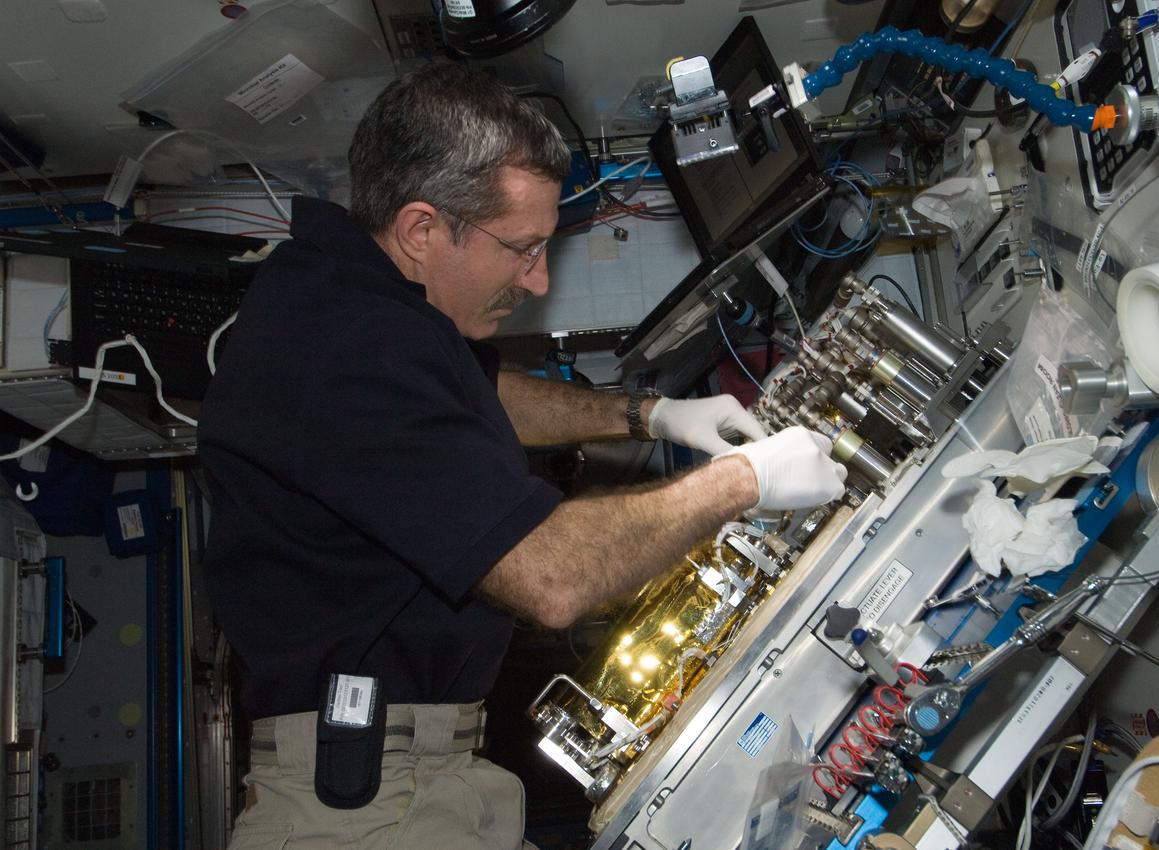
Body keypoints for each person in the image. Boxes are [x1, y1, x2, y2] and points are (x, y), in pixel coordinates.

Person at [198, 60, 847, 850]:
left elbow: (480, 395)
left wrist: (651, 415)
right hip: (367, 806)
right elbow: (551, 579)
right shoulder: (347, 350)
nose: (537, 281)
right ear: (422, 230)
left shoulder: (353, 302)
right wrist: (744, 482)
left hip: (419, 774)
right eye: (523, 248)